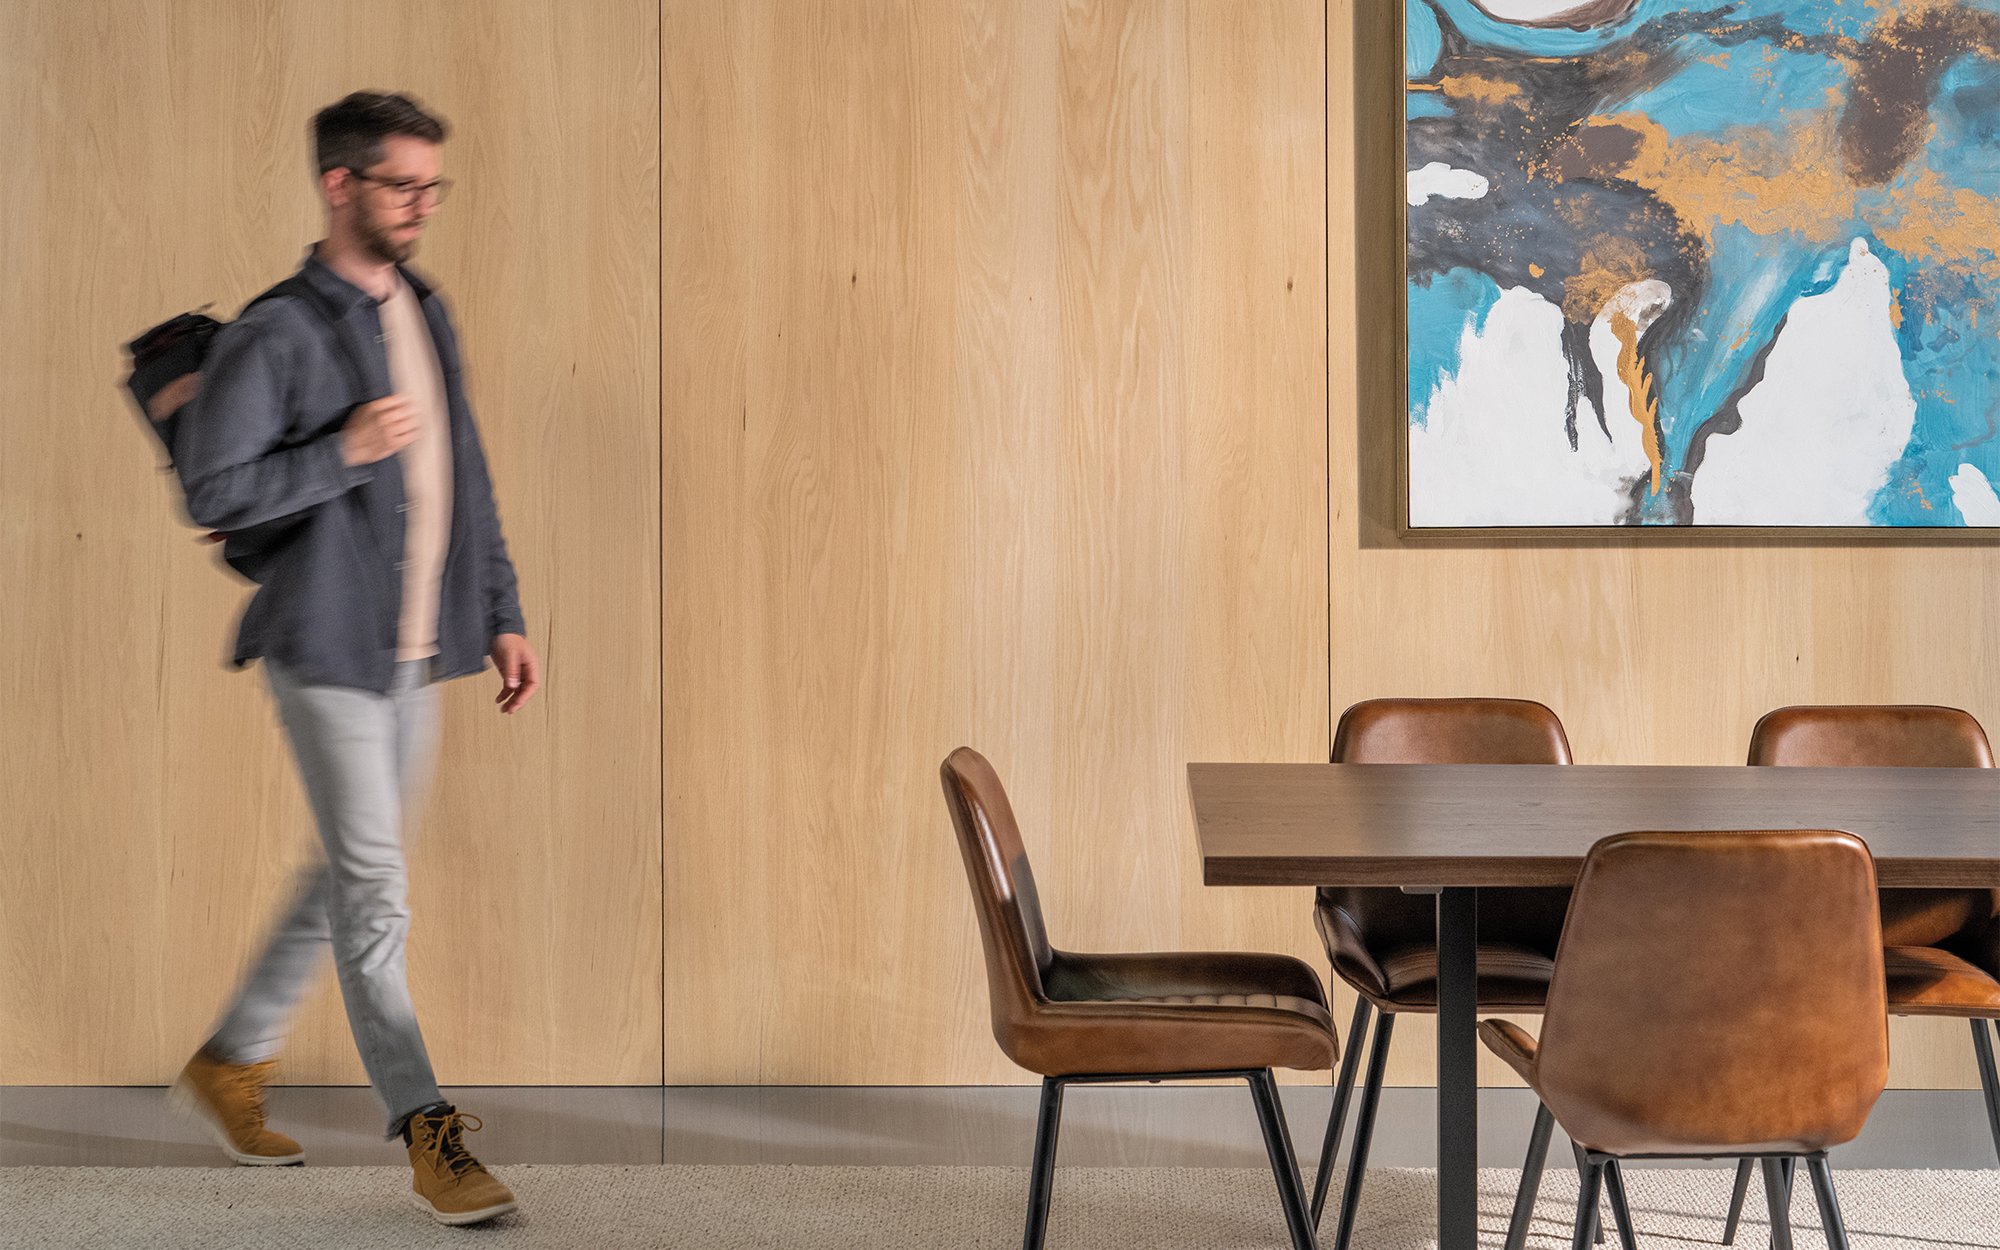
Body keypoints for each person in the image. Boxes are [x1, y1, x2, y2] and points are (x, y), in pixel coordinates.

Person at [165, 91, 539, 1227]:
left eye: (433, 186)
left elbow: (463, 474)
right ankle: (426, 1129)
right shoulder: (275, 331)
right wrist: (341, 449)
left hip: (413, 648)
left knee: (344, 870)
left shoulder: (425, 305)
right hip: (322, 644)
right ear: (341, 185)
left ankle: (230, 1057)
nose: (422, 204)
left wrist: (503, 612)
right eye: (402, 185)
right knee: (375, 887)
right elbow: (214, 490)